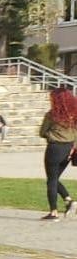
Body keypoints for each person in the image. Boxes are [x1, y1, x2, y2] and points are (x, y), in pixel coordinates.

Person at [37, 87, 77, 220]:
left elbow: (42, 132)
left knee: (51, 180)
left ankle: (53, 212)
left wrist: (51, 134)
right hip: (69, 148)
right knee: (54, 179)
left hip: (54, 148)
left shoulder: (52, 114)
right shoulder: (74, 114)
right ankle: (69, 200)